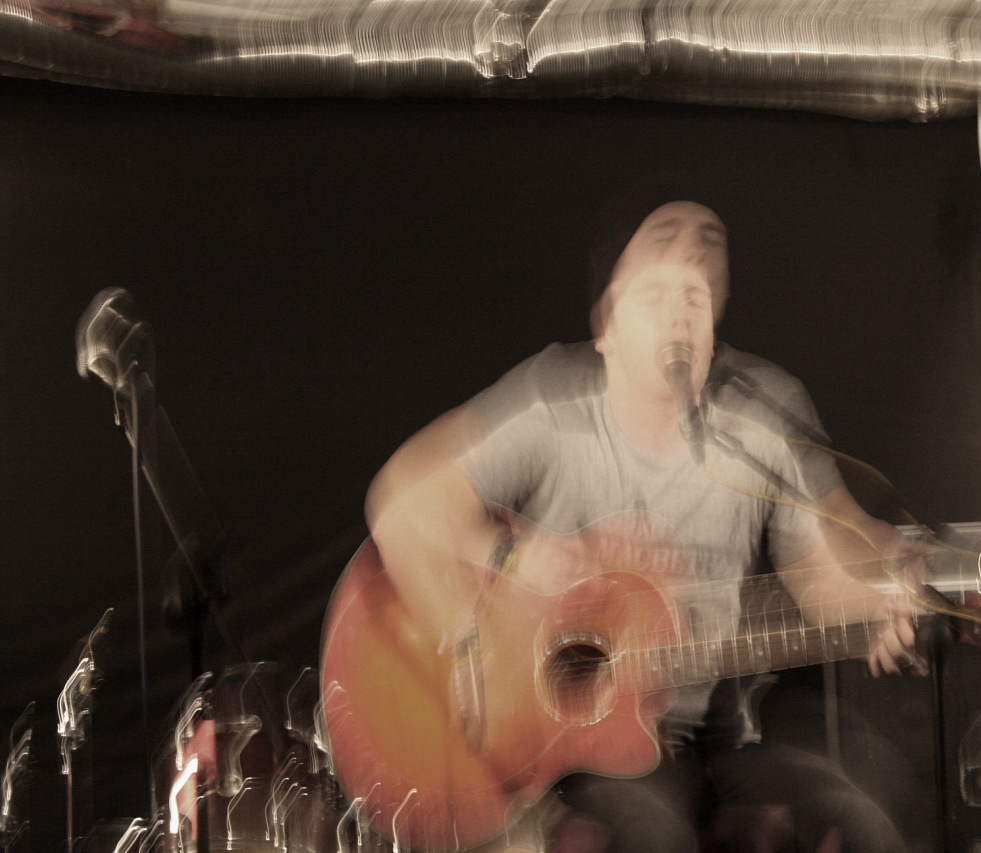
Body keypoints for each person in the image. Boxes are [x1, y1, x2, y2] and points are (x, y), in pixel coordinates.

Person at [364, 193, 926, 853]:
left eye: (695, 296)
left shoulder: (761, 411)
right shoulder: (555, 404)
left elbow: (822, 576)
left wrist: (880, 603)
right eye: (654, 294)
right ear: (605, 326)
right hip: (578, 754)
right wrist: (499, 577)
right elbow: (404, 498)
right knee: (654, 832)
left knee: (863, 816)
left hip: (719, 741)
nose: (679, 313)